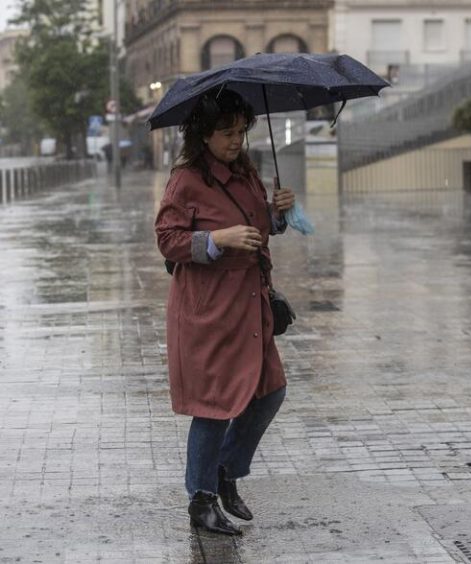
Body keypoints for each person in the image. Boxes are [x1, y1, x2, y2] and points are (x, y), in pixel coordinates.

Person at [154, 89, 296, 536]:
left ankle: (224, 472)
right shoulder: (186, 180)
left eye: (240, 131)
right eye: (226, 133)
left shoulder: (245, 171)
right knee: (213, 405)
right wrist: (219, 240)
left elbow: (257, 227)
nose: (236, 141)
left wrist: (275, 215)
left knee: (268, 391)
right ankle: (201, 499)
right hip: (209, 307)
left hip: (250, 305)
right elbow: (168, 240)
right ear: (204, 134)